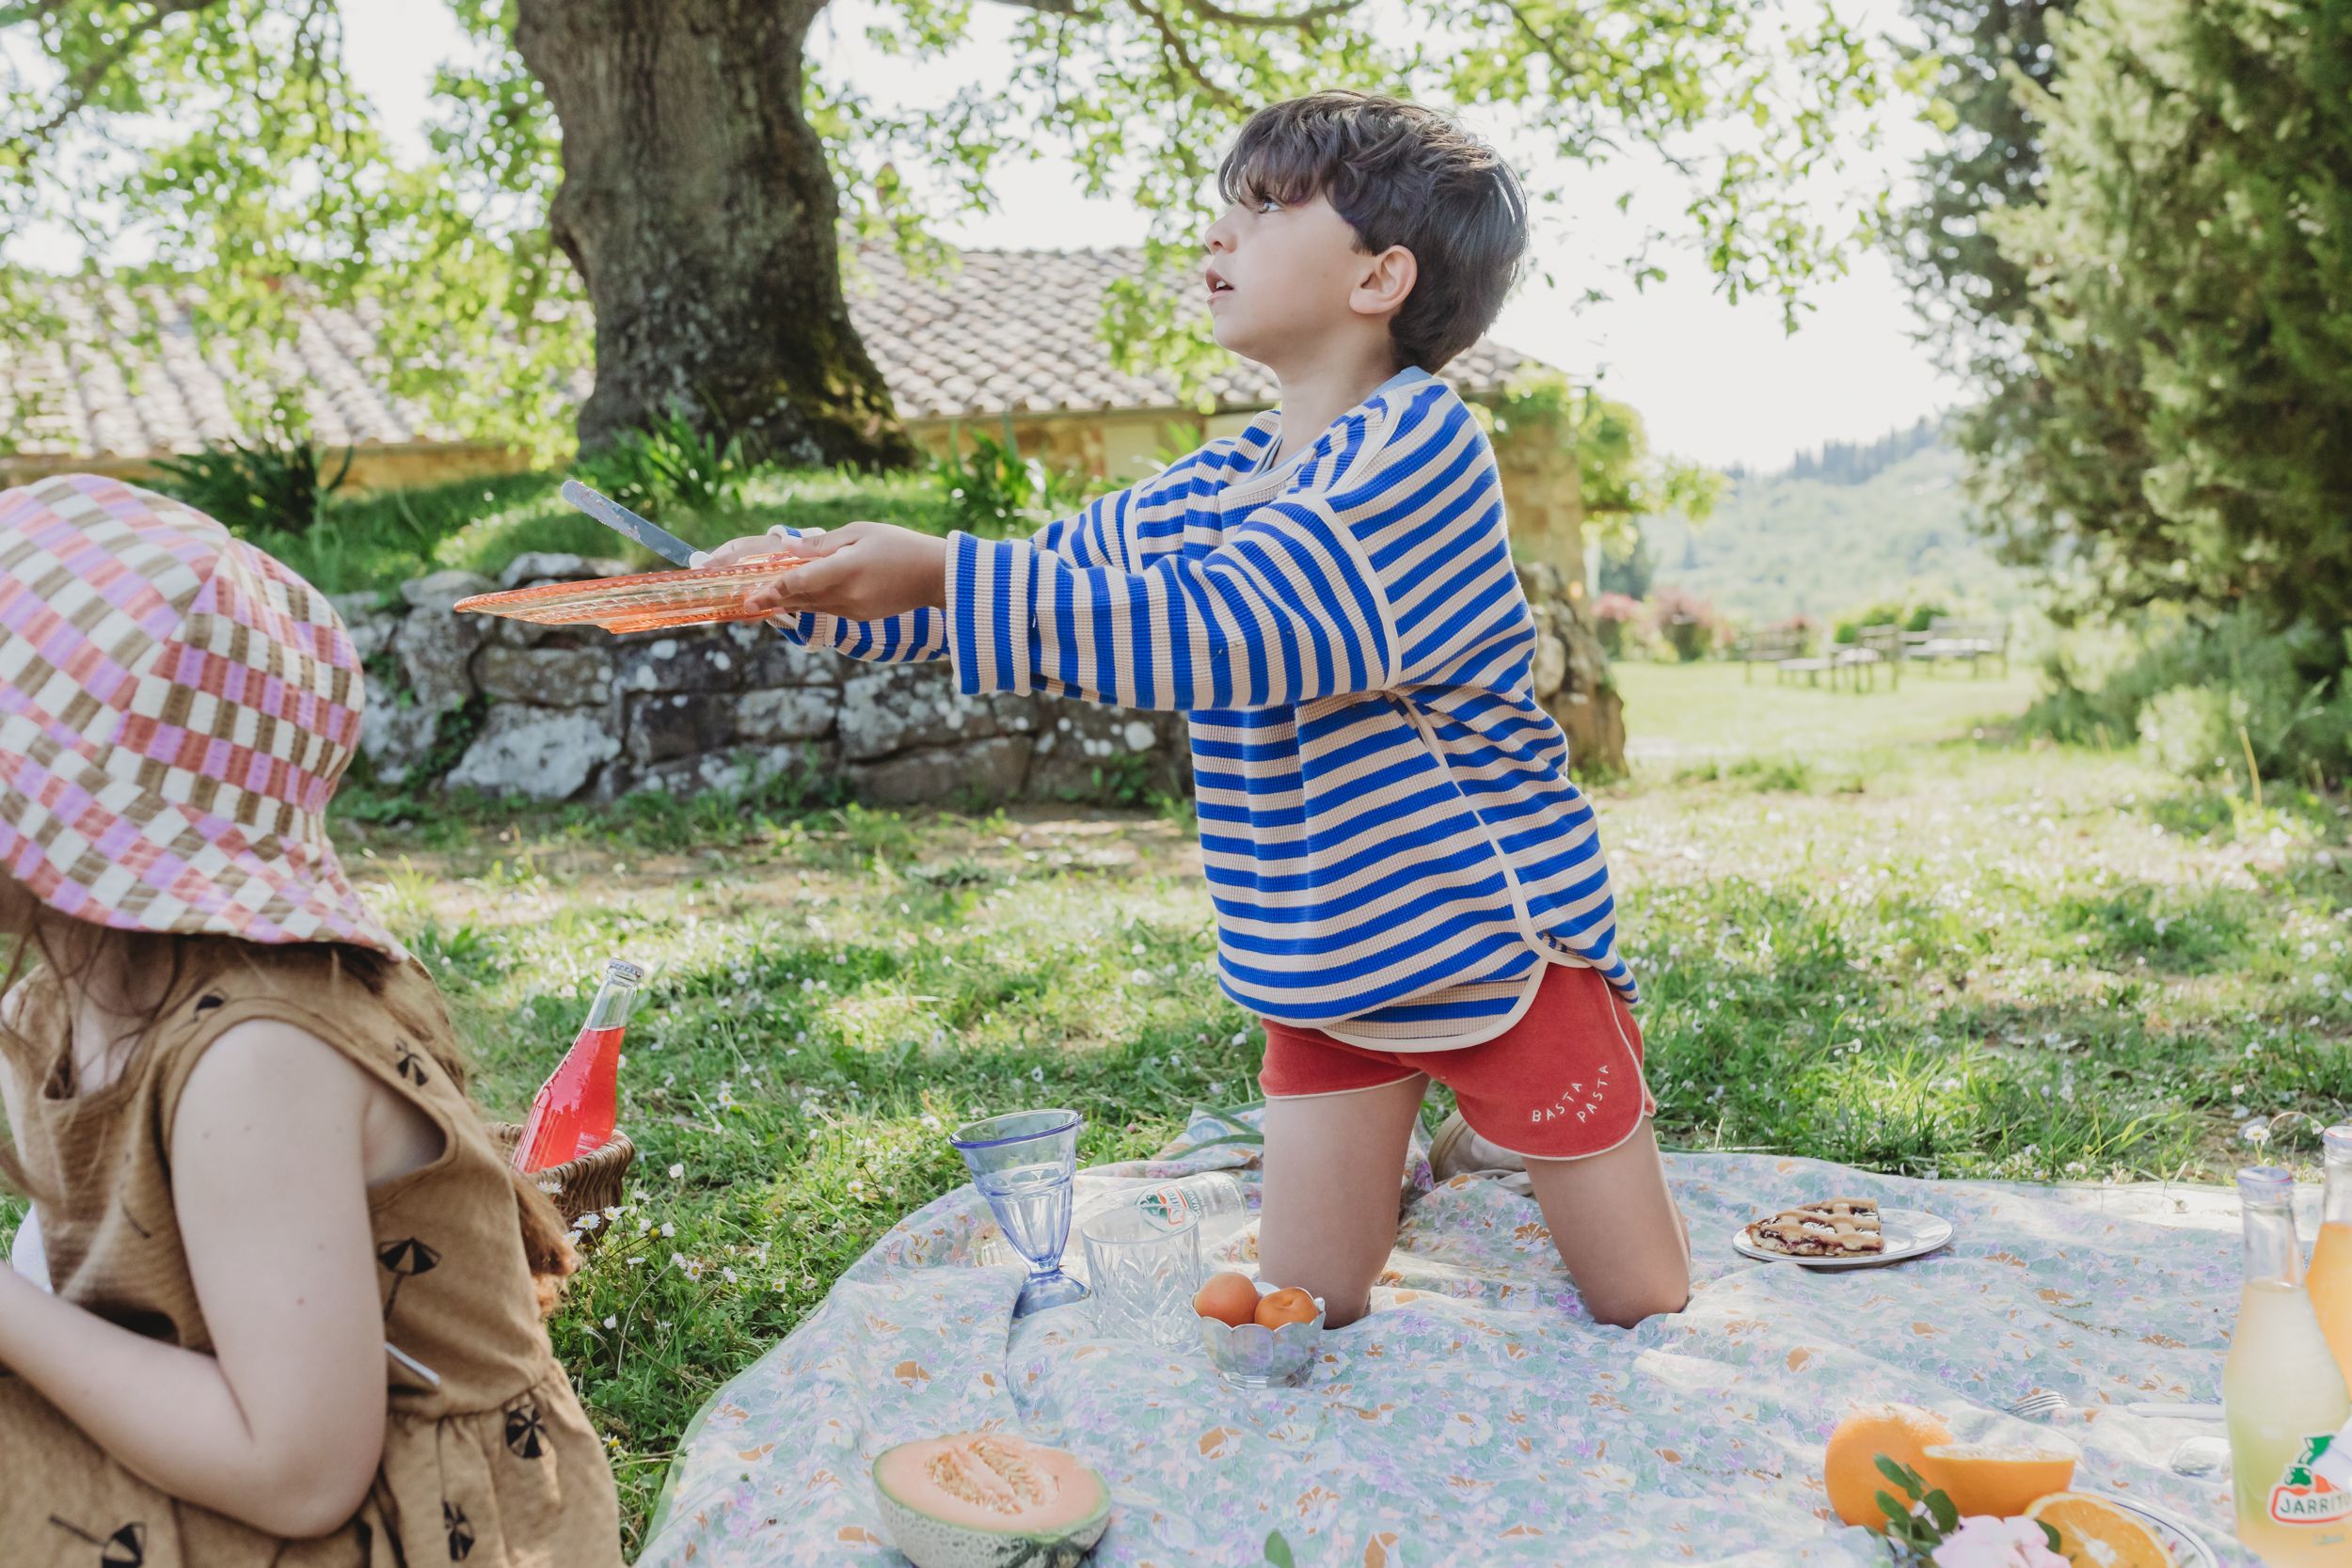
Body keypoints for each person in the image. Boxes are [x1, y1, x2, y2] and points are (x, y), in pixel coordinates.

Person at [699, 90, 1691, 1330]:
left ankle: (1493, 1132)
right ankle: (1445, 1151)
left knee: (1644, 1306)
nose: (1219, 234)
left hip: (1495, 946)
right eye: (1226, 204)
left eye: (1267, 206)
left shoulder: (1419, 448)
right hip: (1325, 958)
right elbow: (1060, 582)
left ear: (1383, 276)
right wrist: (808, 577)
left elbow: (1239, 629)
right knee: (1306, 1301)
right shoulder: (1224, 475)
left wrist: (950, 567)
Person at [0, 474, 623, 1565]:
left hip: (417, 1520)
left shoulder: (257, 1059)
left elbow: (299, 1469)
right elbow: (97, 1264)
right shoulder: (59, 996)